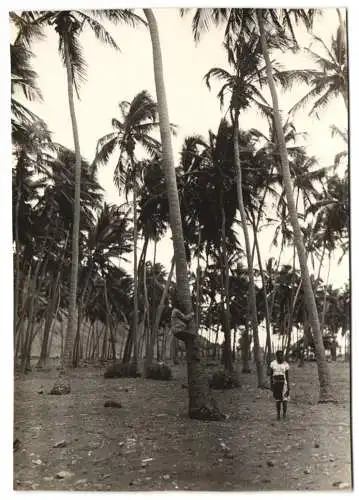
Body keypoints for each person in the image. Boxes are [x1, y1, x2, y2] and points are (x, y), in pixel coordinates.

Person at [269, 350, 290, 420]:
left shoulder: (286, 364)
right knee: (277, 400)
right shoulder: (273, 364)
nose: (281, 357)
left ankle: (284, 414)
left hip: (284, 384)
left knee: (284, 400)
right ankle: (278, 414)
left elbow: (287, 376)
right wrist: (271, 385)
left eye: (282, 355)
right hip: (276, 384)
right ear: (276, 356)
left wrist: (288, 387)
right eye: (279, 355)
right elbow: (271, 375)